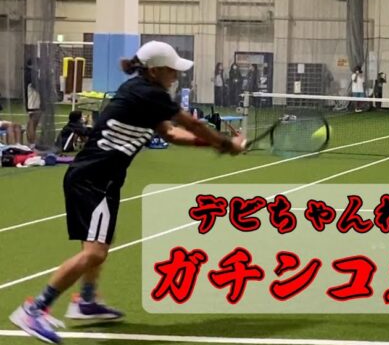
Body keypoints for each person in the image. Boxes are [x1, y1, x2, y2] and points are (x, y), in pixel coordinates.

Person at [9, 41, 246, 345]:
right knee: (95, 252)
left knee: (99, 245)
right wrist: (224, 144)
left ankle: (86, 301)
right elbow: (191, 124)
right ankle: (34, 309)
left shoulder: (142, 93)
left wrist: (215, 145)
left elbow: (171, 133)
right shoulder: (149, 93)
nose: (176, 75)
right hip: (93, 180)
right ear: (155, 71)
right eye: (172, 70)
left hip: (103, 179)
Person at [24, 58, 41, 147]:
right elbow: (35, 85)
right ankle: (32, 141)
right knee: (33, 120)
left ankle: (31, 140)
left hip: (32, 98)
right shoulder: (31, 73)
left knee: (33, 120)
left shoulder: (30, 72)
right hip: (33, 99)